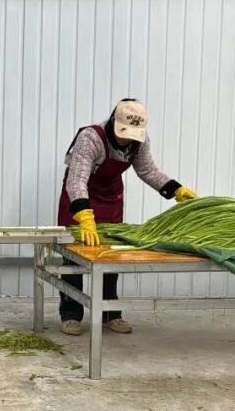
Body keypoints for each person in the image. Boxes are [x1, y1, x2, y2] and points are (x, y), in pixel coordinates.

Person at [57, 99, 197, 336]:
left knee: (110, 258)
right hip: (79, 199)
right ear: (114, 121)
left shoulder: (139, 141)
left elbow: (147, 170)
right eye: (123, 133)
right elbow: (76, 180)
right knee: (73, 259)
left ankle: (110, 314)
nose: (127, 140)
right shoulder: (91, 138)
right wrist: (85, 216)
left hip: (110, 200)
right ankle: (71, 315)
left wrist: (176, 189)